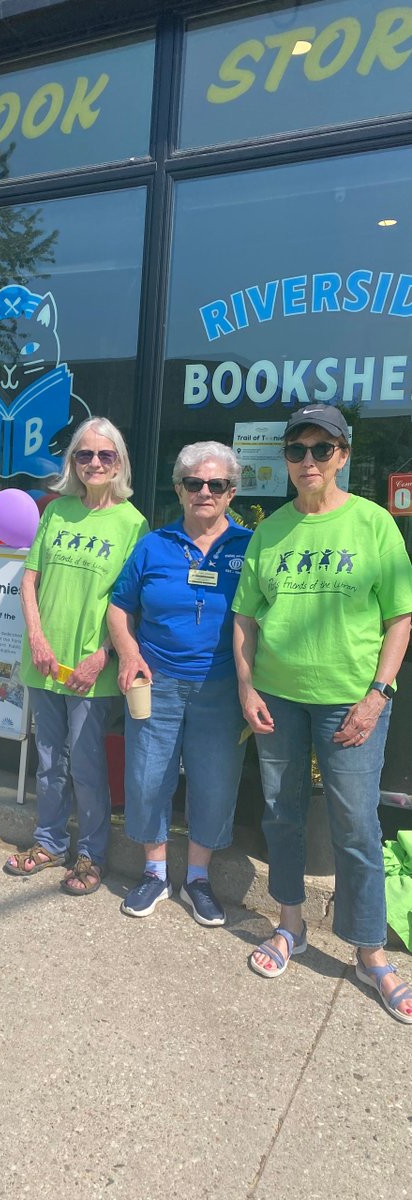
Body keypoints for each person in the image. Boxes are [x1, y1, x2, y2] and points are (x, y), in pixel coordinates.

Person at [233, 404, 412, 1025]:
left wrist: (377, 695)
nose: (307, 461)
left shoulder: (374, 524)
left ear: (343, 455)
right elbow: (247, 617)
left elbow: (399, 617)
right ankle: (290, 926)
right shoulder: (270, 530)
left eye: (321, 449)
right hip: (278, 695)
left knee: (356, 824)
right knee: (281, 812)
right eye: (296, 450)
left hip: (350, 698)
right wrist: (247, 686)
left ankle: (368, 951)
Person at [108, 442, 251, 925]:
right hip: (158, 682)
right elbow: (119, 605)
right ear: (179, 489)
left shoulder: (251, 548)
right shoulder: (154, 544)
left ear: (232, 492)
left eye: (216, 485)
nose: (204, 492)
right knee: (148, 777)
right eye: (194, 483)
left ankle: (197, 879)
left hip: (222, 687)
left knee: (214, 783)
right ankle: (153, 873)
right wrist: (129, 655)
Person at [4, 416, 148, 895]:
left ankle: (90, 854)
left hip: (91, 670)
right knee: (49, 761)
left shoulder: (132, 523)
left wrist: (103, 655)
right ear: (72, 461)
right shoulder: (57, 511)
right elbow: (29, 580)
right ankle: (47, 843)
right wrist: (38, 640)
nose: (94, 463)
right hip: (45, 663)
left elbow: (131, 602)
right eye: (84, 454)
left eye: (105, 455)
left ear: (119, 462)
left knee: (87, 767)